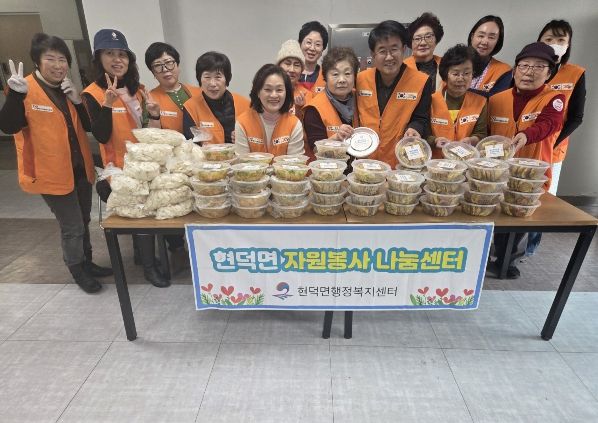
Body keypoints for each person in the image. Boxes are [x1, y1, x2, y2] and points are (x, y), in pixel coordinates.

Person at [0, 33, 112, 293]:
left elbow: (88, 127)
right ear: (37, 61)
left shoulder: (66, 88)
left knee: (83, 219)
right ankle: (77, 269)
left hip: (78, 168)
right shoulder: (25, 89)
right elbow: (8, 126)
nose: (58, 65)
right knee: (72, 225)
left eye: (62, 60)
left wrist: (77, 102)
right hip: (49, 172)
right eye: (50, 59)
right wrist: (14, 96)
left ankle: (87, 261)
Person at [82, 29, 169, 288]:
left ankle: (143, 255)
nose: (117, 59)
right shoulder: (92, 93)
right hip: (118, 169)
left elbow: (149, 131)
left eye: (122, 54)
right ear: (99, 58)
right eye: (110, 53)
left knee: (150, 206)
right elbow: (100, 134)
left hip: (144, 164)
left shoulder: (138, 90)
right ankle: (149, 267)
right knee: (142, 212)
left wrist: (155, 115)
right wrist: (108, 103)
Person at [488, 42, 565, 279]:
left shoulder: (554, 98)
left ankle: (507, 261)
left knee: (519, 220)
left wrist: (526, 135)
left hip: (530, 174)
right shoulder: (497, 99)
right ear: (515, 70)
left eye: (539, 67)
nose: (529, 72)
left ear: (548, 73)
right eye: (524, 66)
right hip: (497, 171)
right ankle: (491, 256)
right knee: (496, 215)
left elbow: (550, 124)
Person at [526, 19, 587, 257]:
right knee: (519, 194)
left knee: (542, 198)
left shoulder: (575, 73)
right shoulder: (528, 68)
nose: (554, 44)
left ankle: (530, 248)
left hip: (553, 150)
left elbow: (576, 117)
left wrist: (552, 141)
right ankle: (509, 247)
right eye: (549, 39)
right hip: (523, 146)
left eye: (560, 40)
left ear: (568, 44)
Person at [144, 41, 199, 269]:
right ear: (152, 71)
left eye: (169, 63)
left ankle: (199, 245)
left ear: (178, 64)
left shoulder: (196, 92)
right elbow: (150, 138)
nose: (166, 70)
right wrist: (154, 115)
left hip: (197, 160)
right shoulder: (150, 98)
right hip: (169, 166)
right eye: (158, 66)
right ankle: (176, 248)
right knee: (173, 206)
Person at [356, 20, 433, 168]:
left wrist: (415, 128)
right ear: (373, 54)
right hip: (364, 161)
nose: (389, 57)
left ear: (403, 49)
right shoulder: (360, 79)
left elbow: (421, 117)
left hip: (400, 162)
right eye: (382, 51)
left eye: (394, 49)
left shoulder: (421, 81)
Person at [428, 44, 487, 158]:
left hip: (465, 161)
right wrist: (434, 140)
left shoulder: (481, 102)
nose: (461, 78)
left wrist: (471, 140)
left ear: (473, 74)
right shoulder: (431, 100)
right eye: (455, 74)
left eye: (466, 73)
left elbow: (481, 134)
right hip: (436, 163)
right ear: (446, 74)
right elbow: (424, 132)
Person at [235, 64, 304, 156]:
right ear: (258, 92)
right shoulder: (243, 122)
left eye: (279, 90)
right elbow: (242, 161)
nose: (274, 95)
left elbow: (295, 162)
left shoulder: (294, 124)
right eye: (268, 89)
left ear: (286, 93)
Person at [182, 51, 250, 142]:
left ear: (227, 78)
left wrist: (244, 140)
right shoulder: (191, 107)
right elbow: (190, 143)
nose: (212, 84)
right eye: (207, 77)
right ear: (199, 79)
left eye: (218, 77)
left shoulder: (244, 104)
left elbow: (255, 137)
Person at [303, 47, 360, 155]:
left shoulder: (361, 99)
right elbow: (315, 150)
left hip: (357, 164)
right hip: (327, 165)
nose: (342, 80)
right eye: (335, 74)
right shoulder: (314, 108)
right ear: (325, 77)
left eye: (347, 73)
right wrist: (336, 137)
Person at [467, 15, 512, 96]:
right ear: (472, 37)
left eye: (491, 37)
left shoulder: (504, 71)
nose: (484, 42)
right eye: (481, 36)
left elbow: (496, 100)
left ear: (498, 42)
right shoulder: (451, 62)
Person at [405, 12, 444, 91]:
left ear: (436, 40)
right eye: (417, 38)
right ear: (410, 43)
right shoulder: (401, 68)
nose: (423, 43)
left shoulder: (446, 66)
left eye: (428, 37)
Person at [276, 39, 312, 119]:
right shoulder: (271, 92)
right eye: (287, 63)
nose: (292, 70)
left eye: (296, 65)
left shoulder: (307, 95)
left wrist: (299, 109)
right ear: (278, 67)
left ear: (301, 70)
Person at [298, 21, 328, 94]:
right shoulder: (290, 74)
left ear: (323, 49)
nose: (312, 48)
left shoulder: (327, 76)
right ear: (300, 44)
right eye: (308, 42)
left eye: (317, 44)